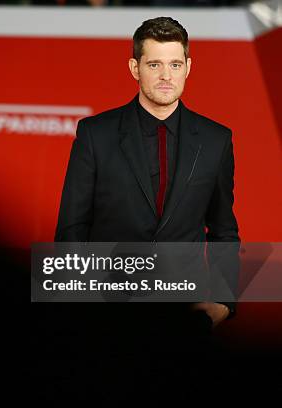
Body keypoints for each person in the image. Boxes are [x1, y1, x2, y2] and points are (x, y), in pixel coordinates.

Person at [55, 17, 240, 328]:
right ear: (134, 68)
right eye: (154, 64)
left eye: (175, 65)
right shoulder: (95, 134)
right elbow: (72, 228)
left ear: (188, 67)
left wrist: (224, 302)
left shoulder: (216, 140)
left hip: (185, 312)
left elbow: (224, 230)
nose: (166, 75)